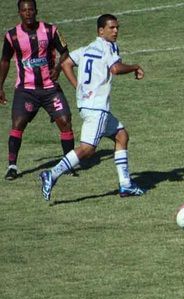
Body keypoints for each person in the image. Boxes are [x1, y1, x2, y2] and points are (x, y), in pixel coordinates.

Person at [39, 14, 145, 200]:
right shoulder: (108, 46)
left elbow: (66, 63)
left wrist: (78, 87)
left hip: (87, 105)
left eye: (117, 27)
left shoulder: (88, 48)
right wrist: (135, 66)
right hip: (97, 108)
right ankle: (52, 173)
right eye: (111, 28)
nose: (115, 31)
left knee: (121, 135)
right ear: (100, 31)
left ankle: (126, 185)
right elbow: (115, 69)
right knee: (87, 149)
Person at [0, 0, 75, 180]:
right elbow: (4, 61)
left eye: (31, 10)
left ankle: (69, 163)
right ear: (19, 12)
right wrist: (0, 86)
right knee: (18, 124)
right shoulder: (12, 36)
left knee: (65, 121)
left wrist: (57, 68)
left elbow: (65, 52)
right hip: (26, 90)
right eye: (24, 10)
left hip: (50, 88)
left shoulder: (50, 30)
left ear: (36, 11)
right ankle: (12, 166)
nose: (28, 13)